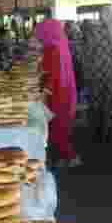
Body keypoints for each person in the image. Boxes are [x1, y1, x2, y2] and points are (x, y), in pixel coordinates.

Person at [35, 18, 80, 168]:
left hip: (58, 94)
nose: (39, 36)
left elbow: (53, 74)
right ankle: (64, 156)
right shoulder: (58, 44)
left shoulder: (53, 48)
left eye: (41, 33)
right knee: (59, 126)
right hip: (62, 91)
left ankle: (70, 157)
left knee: (58, 126)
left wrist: (44, 93)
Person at [82, 8, 112, 144]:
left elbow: (87, 57)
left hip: (99, 77)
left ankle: (101, 136)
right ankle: (111, 136)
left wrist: (87, 76)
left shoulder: (94, 34)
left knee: (100, 107)